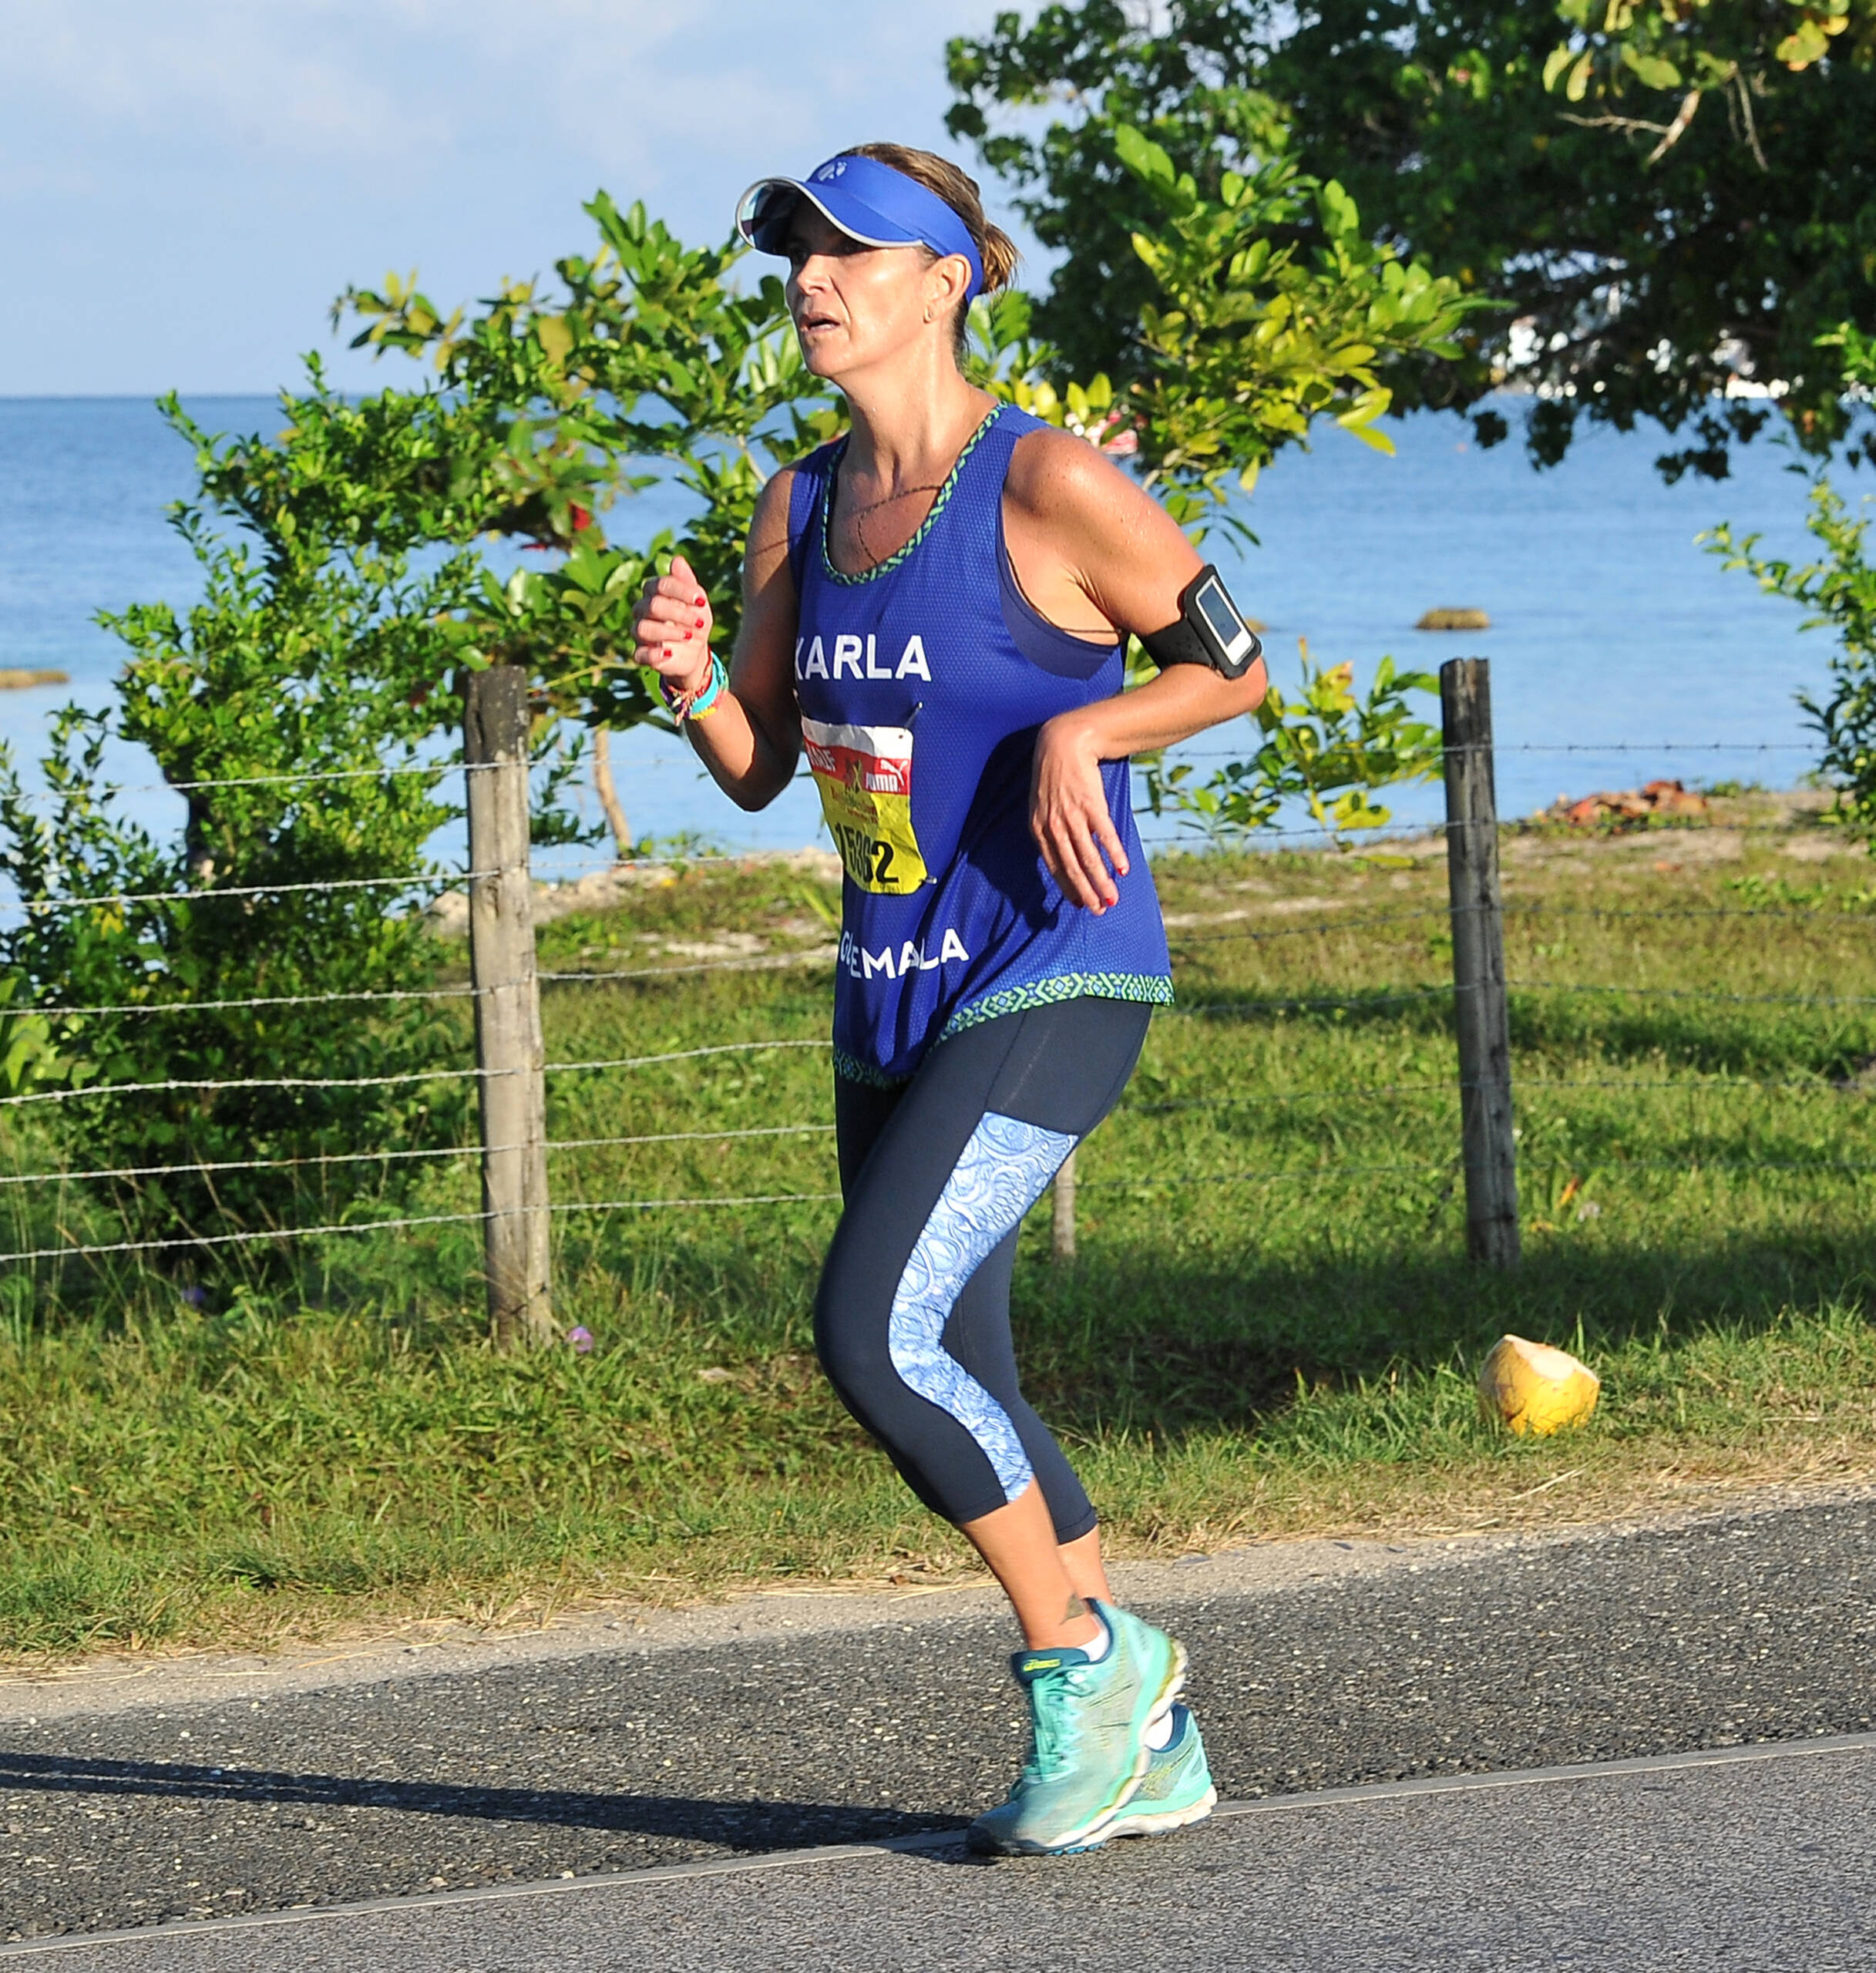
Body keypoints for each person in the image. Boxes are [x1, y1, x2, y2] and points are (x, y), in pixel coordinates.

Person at [631, 143, 1267, 1856]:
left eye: (850, 251)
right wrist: (689, 681)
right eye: (796, 252)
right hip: (889, 991)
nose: (810, 279)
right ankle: (1154, 1743)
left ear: (944, 283)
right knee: (961, 1357)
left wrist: (1088, 728)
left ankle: (1088, 1662)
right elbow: (763, 767)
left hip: (1059, 965)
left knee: (871, 1333)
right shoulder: (797, 505)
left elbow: (1232, 664)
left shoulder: (1046, 481)